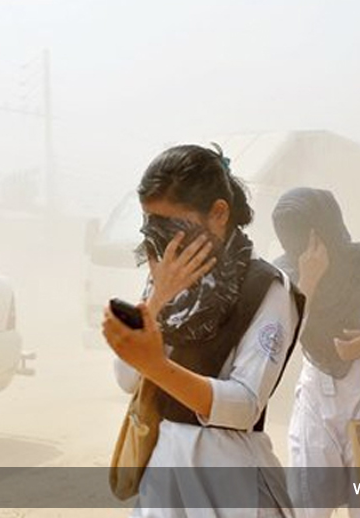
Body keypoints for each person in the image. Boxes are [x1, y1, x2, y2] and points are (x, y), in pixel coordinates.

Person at [103, 144, 308, 518]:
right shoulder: (161, 280)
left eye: (173, 227)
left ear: (218, 214)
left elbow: (244, 407)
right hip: (164, 478)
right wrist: (159, 298)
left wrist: (158, 367)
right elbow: (128, 379)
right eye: (153, 227)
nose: (163, 242)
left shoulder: (267, 288)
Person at [271, 187, 360, 518]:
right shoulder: (284, 276)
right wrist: (308, 282)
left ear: (325, 227)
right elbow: (282, 338)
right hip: (316, 401)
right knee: (307, 506)